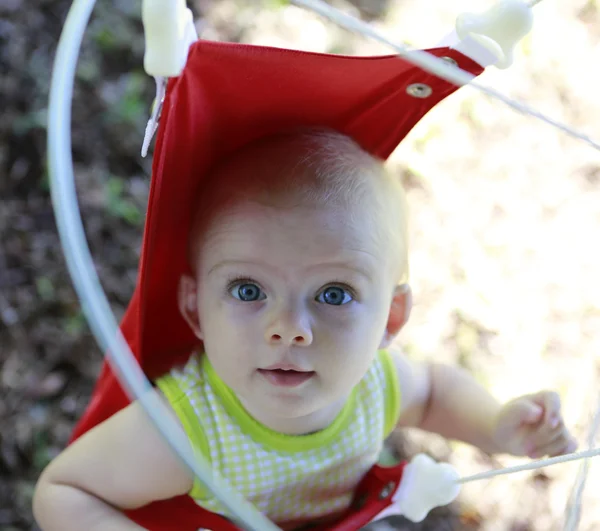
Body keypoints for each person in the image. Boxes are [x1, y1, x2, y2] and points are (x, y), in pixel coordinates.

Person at [32, 129, 577, 531]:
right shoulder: (187, 433)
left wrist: (498, 426)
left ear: (390, 318)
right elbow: (65, 490)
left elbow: (433, 394)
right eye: (249, 291)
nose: (289, 329)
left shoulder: (375, 386)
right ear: (196, 310)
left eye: (333, 295)